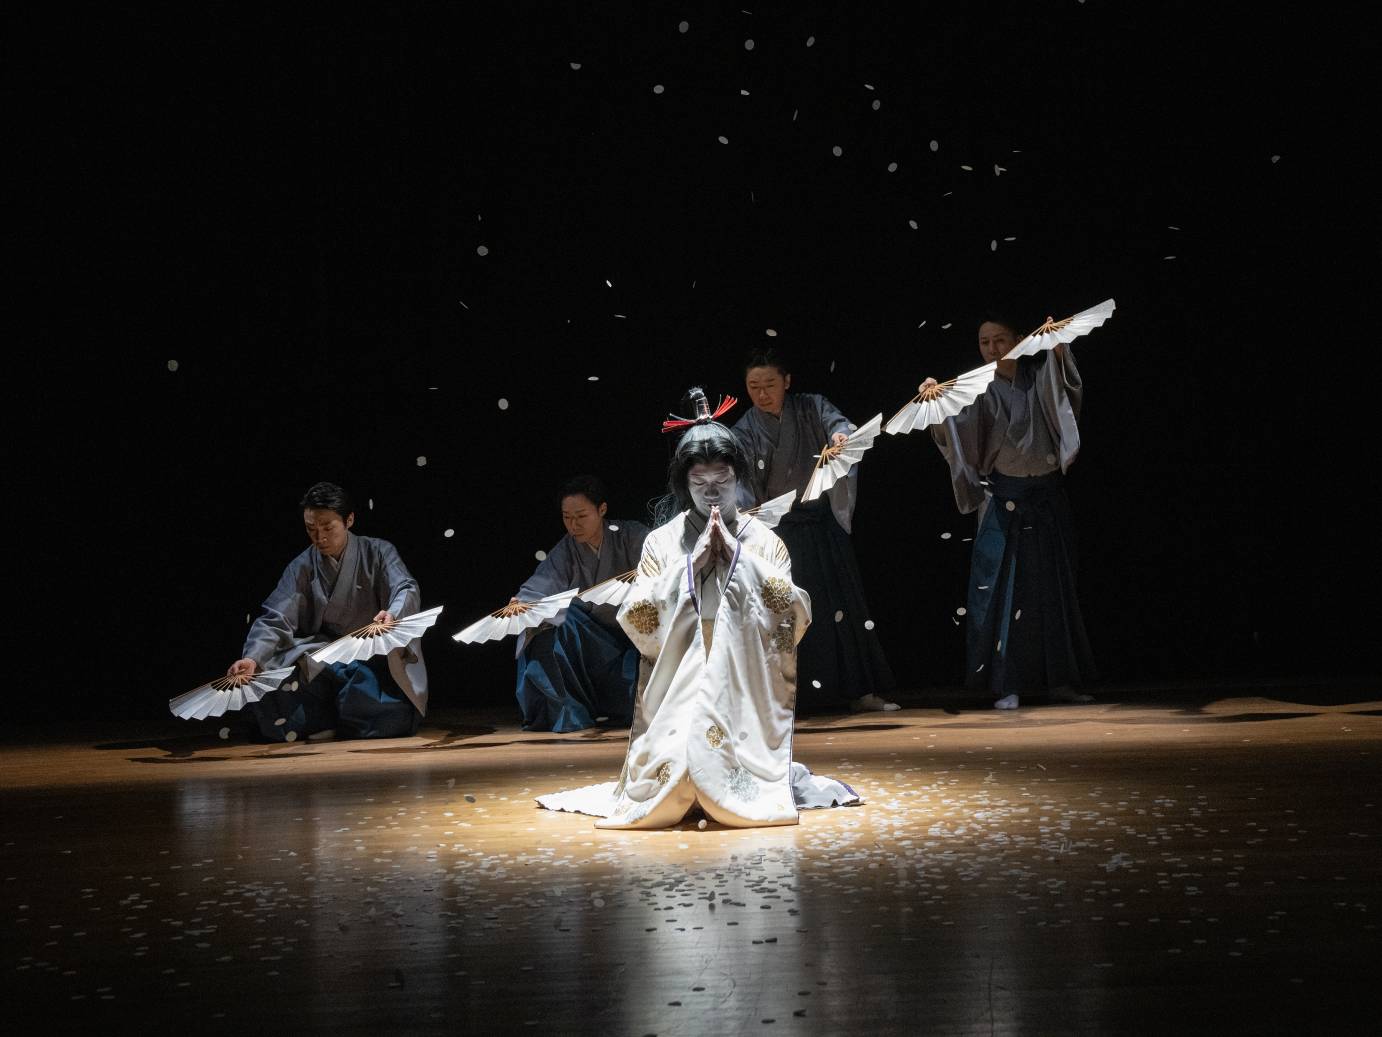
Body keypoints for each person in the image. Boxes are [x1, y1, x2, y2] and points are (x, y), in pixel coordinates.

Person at [537, 391, 858, 829]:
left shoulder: (764, 542)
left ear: (738, 478)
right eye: (699, 484)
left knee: (737, 763)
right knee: (678, 761)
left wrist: (742, 564)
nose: (711, 493)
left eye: (722, 481)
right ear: (683, 484)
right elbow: (638, 620)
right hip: (678, 676)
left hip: (743, 675)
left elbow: (794, 617)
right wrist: (690, 567)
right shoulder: (662, 543)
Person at [920, 315, 1097, 710]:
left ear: (1019, 338)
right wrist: (938, 402)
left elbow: (1065, 394)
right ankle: (1006, 683)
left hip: (1047, 497)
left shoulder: (1040, 375)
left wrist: (1057, 346)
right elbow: (957, 432)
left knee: (1053, 592)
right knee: (1002, 594)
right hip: (1004, 502)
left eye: (1001, 339)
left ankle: (1061, 681)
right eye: (985, 342)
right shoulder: (977, 386)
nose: (993, 349)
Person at [732, 348, 899, 713]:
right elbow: (742, 488)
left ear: (787, 382)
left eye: (770, 384)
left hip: (821, 525)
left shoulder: (811, 407)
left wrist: (841, 439)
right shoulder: (743, 432)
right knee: (786, 614)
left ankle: (861, 691)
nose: (762, 394)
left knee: (844, 608)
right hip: (779, 534)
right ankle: (790, 698)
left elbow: (840, 425)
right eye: (754, 386)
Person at [226, 481, 429, 741]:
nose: (319, 537)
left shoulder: (379, 551)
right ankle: (328, 720)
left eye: (328, 528)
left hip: (374, 654)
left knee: (371, 695)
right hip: (325, 656)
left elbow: (406, 587)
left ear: (349, 520)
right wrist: (253, 657)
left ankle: (334, 720)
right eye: (311, 529)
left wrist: (392, 613)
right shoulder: (302, 566)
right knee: (274, 687)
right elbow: (276, 616)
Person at [512, 475, 650, 732]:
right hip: (590, 643)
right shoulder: (566, 550)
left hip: (633, 640)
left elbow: (660, 572)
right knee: (552, 621)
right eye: (567, 517)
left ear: (602, 510)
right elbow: (540, 585)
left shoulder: (632, 536)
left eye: (581, 516)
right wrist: (523, 602)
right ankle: (567, 713)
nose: (573, 525)